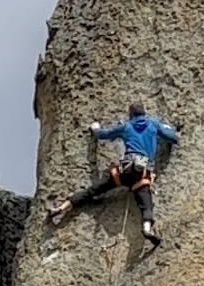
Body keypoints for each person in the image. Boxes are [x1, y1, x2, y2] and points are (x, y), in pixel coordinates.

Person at [49, 101, 180, 246]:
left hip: (124, 172)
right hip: (141, 175)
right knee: (146, 205)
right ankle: (147, 229)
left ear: (130, 114)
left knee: (94, 189)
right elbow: (173, 138)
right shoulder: (153, 125)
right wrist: (168, 129)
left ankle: (61, 208)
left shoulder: (126, 127)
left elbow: (102, 134)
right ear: (144, 113)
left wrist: (95, 128)